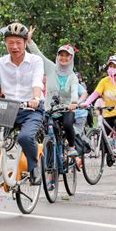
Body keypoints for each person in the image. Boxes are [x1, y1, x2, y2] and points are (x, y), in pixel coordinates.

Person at [0, 22, 44, 185]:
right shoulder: (0, 63)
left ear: (26, 43)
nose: (15, 46)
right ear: (5, 43)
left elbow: (37, 81)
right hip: (8, 110)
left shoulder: (35, 61)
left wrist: (35, 98)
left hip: (30, 109)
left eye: (18, 43)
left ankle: (34, 167)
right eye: (10, 42)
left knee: (25, 138)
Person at [26, 27, 79, 156]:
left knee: (67, 124)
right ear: (58, 56)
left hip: (66, 109)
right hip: (49, 109)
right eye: (61, 55)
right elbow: (38, 54)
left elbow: (74, 91)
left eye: (67, 56)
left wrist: (74, 102)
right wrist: (29, 41)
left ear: (71, 58)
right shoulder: (50, 68)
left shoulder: (73, 77)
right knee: (44, 131)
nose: (64, 58)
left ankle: (71, 147)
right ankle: (48, 160)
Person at [80, 55, 116, 157]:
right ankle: (109, 154)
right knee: (103, 133)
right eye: (110, 66)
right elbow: (95, 93)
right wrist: (87, 103)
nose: (112, 68)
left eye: (115, 66)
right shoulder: (104, 81)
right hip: (109, 112)